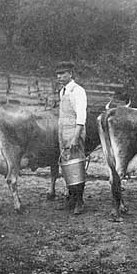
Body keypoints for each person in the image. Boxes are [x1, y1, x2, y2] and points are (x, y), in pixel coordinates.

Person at [55, 61, 88, 215]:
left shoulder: (77, 91)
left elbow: (81, 115)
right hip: (63, 131)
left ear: (71, 74)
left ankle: (79, 200)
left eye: (63, 73)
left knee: (76, 165)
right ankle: (71, 198)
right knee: (66, 165)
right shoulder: (62, 91)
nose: (59, 77)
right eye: (58, 74)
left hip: (74, 131)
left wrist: (76, 137)